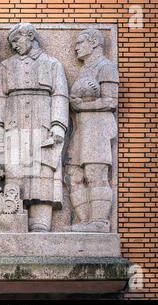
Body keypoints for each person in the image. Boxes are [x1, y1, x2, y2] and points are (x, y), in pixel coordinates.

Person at [0, 23, 69, 232]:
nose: (15, 45)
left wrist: (58, 125)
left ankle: (40, 222)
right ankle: (14, 217)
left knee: (43, 169)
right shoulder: (5, 66)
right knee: (14, 169)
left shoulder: (53, 64)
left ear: (30, 36)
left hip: (42, 123)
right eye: (12, 42)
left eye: (17, 40)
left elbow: (60, 95)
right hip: (13, 124)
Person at [66, 29, 119, 232]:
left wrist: (81, 105)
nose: (76, 47)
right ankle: (84, 222)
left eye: (80, 42)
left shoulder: (106, 67)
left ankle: (99, 222)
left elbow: (111, 101)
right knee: (73, 176)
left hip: (98, 129)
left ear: (94, 43)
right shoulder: (86, 68)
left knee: (96, 173)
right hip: (82, 128)